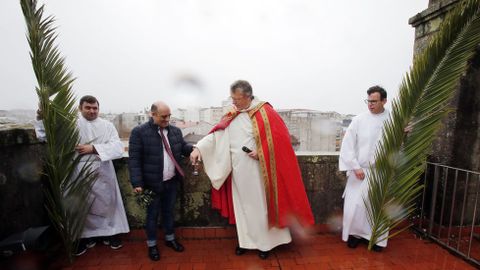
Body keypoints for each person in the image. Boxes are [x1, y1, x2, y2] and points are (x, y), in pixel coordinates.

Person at [189, 80, 314, 260]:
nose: (234, 103)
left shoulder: (265, 112)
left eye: (237, 99)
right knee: (242, 209)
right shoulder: (232, 113)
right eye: (232, 98)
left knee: (260, 208)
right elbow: (217, 135)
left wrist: (262, 152)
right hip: (238, 173)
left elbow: (281, 140)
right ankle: (246, 243)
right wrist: (198, 148)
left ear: (248, 96)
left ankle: (265, 244)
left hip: (258, 171)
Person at [128, 101, 194, 261]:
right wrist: (137, 183)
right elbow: (134, 160)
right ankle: (152, 245)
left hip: (171, 181)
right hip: (151, 183)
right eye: (163, 116)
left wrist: (197, 148)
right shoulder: (139, 132)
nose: (167, 119)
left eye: (169, 116)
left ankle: (170, 239)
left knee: (169, 212)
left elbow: (183, 148)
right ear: (153, 114)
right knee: (152, 215)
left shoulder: (176, 131)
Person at [74, 95, 130, 256]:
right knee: (83, 205)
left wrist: (93, 148)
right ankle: (86, 237)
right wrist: (40, 118)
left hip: (102, 170)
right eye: (88, 108)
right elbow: (47, 136)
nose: (92, 111)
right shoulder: (72, 126)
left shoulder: (107, 125)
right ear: (80, 108)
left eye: (95, 108)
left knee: (108, 204)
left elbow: (118, 147)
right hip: (78, 171)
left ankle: (110, 234)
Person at [338, 85, 390, 252]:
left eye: (374, 101)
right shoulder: (359, 120)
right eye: (368, 101)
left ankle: (376, 238)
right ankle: (354, 235)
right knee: (355, 206)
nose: (370, 104)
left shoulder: (393, 120)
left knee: (376, 207)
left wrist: (405, 134)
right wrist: (355, 166)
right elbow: (348, 145)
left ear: (384, 101)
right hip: (359, 171)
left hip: (381, 172)